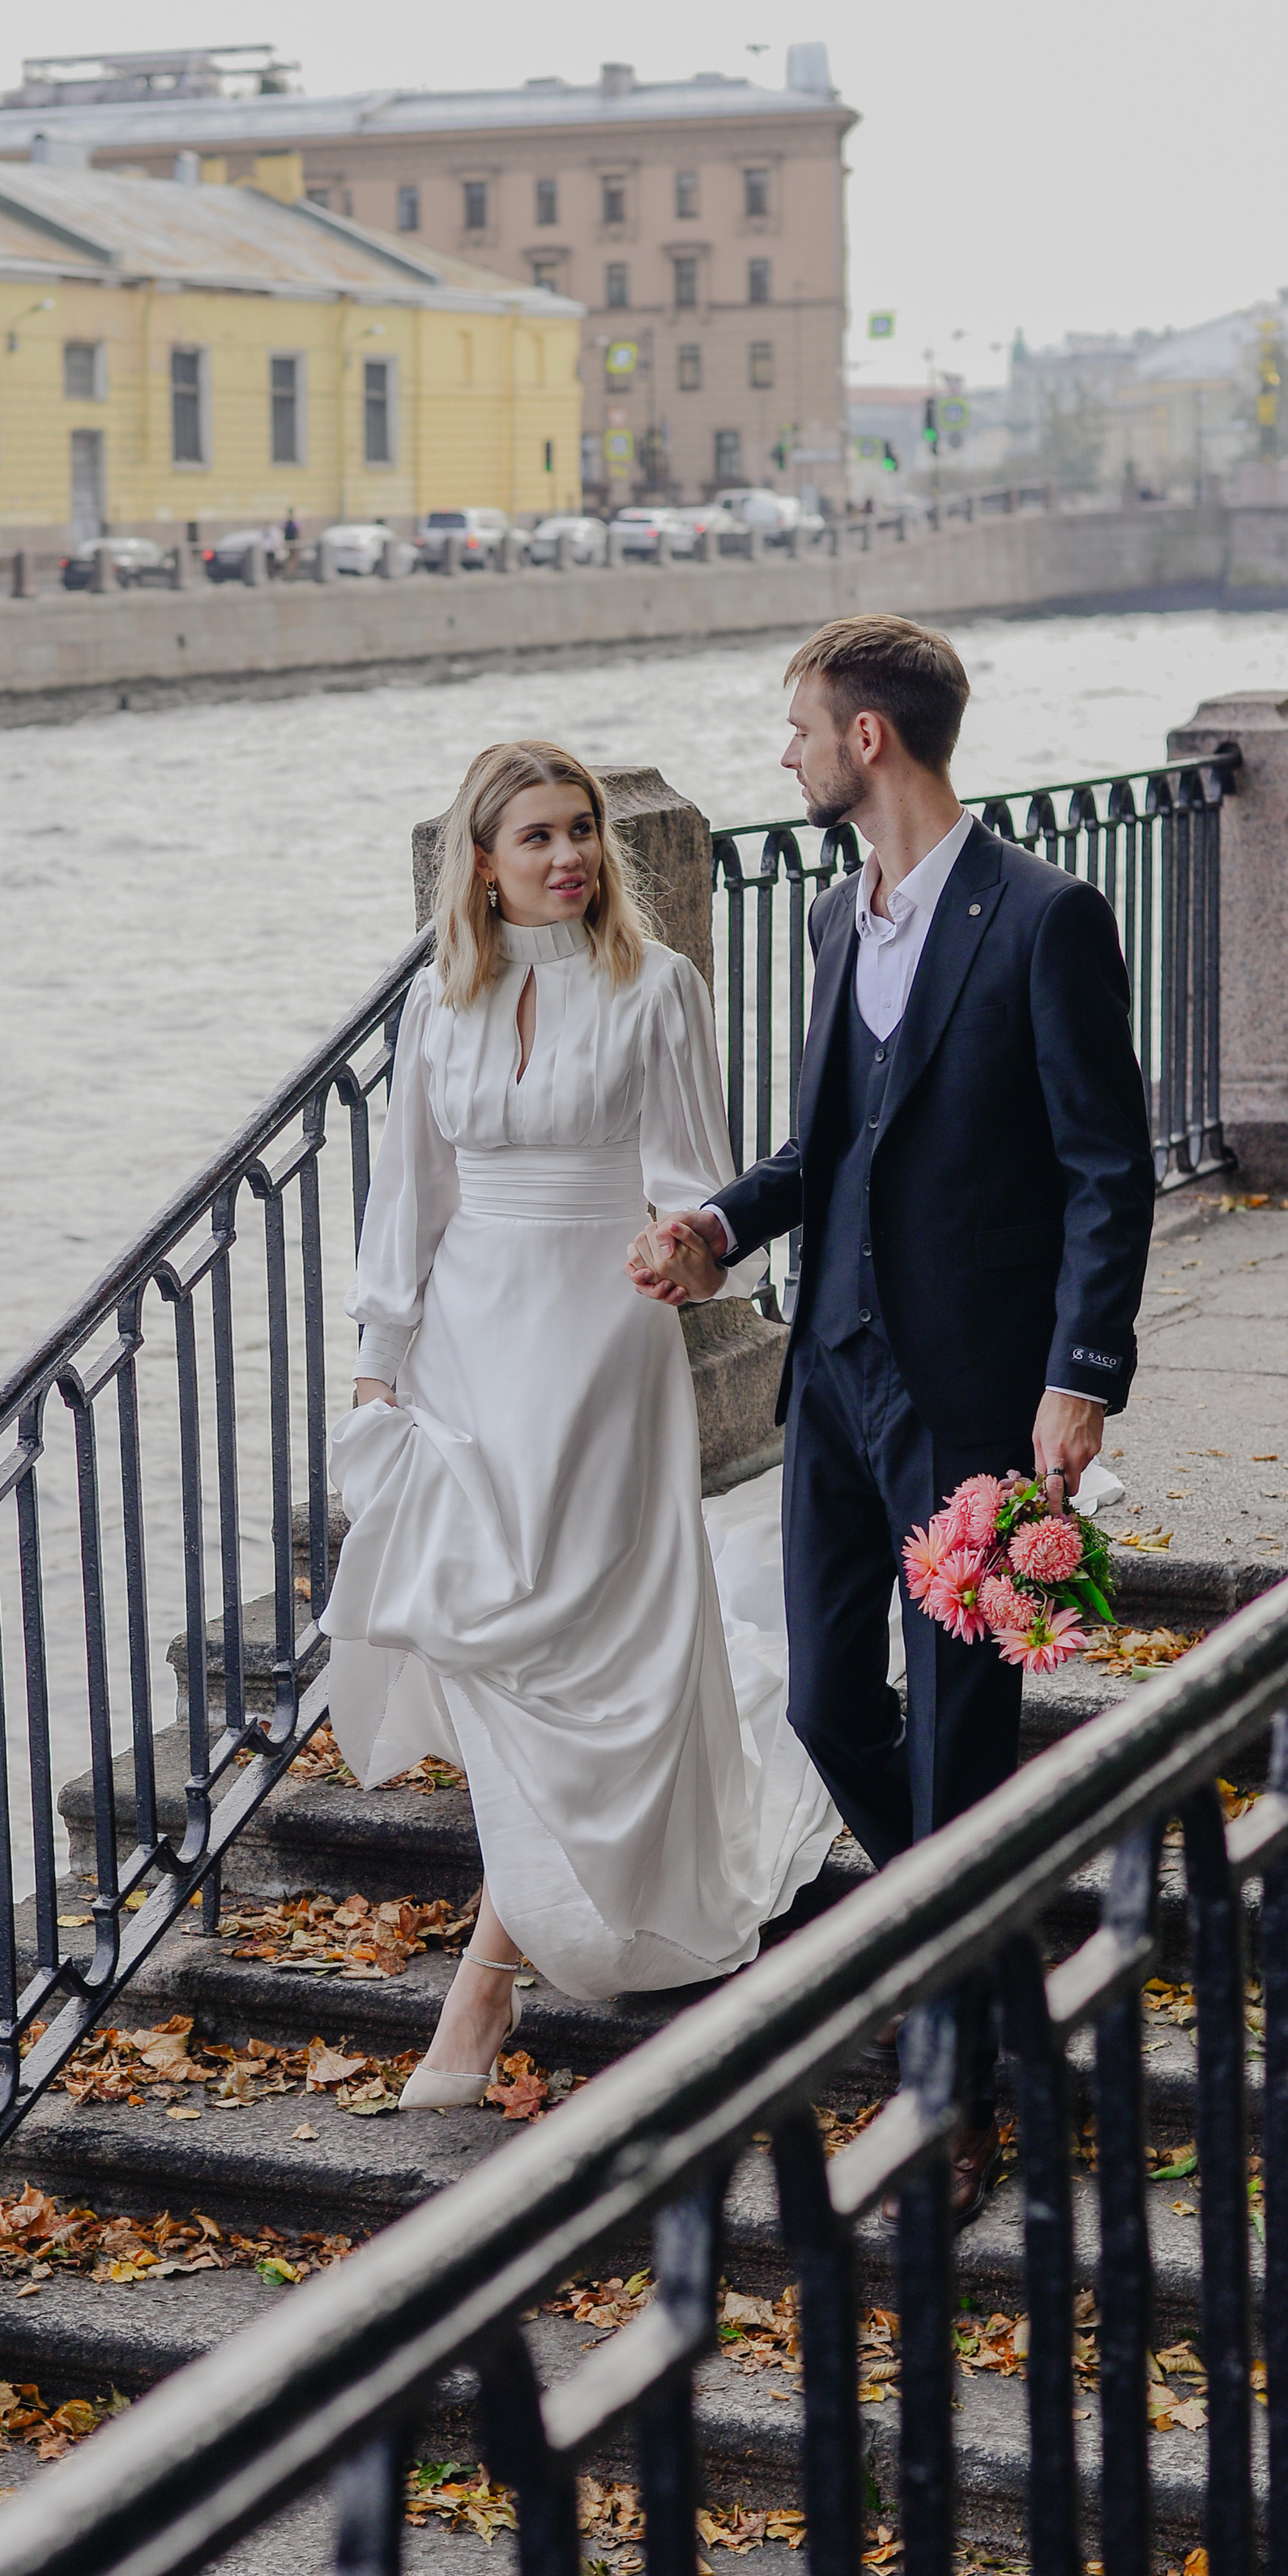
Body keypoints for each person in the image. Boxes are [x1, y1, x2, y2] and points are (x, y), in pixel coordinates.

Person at [631, 614, 1153, 2223]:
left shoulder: (1042, 920)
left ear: (869, 738)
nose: (781, 752)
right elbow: (827, 1148)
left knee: (956, 1741)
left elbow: (1100, 1169)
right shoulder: (826, 921)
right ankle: (984, 1951)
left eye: (796, 725)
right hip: (835, 1382)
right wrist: (717, 1228)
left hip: (972, 1396)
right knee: (827, 1715)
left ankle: (963, 2092)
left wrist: (1077, 1378)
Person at [321, 741, 838, 2110]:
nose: (568, 858)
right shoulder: (441, 1002)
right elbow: (407, 1200)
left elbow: (692, 1176)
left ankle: (483, 1985)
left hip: (602, 1345)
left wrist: (691, 1252)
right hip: (468, 1352)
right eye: (537, 836)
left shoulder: (654, 987)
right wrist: (380, 1365)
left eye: (583, 833)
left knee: (589, 1642)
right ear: (480, 862)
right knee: (495, 1638)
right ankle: (517, 1940)